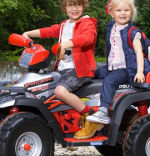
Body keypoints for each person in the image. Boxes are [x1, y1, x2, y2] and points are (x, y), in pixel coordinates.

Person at [74, 0, 150, 139]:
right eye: (119, 10)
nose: (123, 13)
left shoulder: (133, 33)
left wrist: (139, 72)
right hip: (112, 66)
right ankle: (87, 105)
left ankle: (103, 112)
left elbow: (139, 53)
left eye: (126, 10)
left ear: (131, 13)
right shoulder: (112, 27)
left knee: (109, 81)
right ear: (111, 13)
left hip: (128, 69)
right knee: (92, 74)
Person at [23, 0, 100, 128]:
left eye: (78, 4)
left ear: (84, 6)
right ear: (64, 8)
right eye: (70, 5)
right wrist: (28, 34)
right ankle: (63, 123)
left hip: (79, 70)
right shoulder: (64, 25)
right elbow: (48, 31)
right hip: (63, 69)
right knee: (41, 88)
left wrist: (67, 43)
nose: (75, 8)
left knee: (60, 91)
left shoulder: (88, 23)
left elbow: (88, 38)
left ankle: (89, 116)